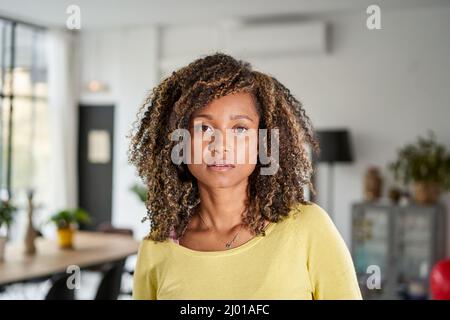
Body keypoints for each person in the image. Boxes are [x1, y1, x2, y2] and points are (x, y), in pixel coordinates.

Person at [129, 53, 362, 300]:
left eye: (240, 128)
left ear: (263, 141)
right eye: (204, 128)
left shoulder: (308, 228)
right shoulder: (155, 249)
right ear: (178, 141)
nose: (220, 146)